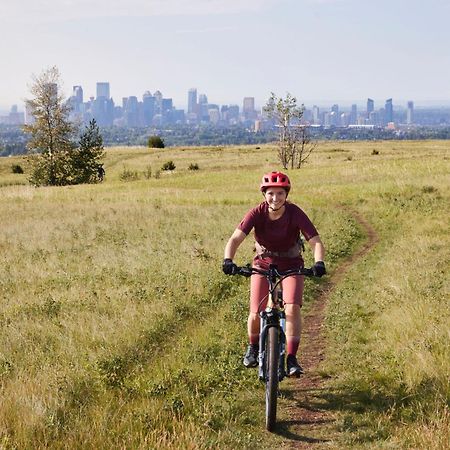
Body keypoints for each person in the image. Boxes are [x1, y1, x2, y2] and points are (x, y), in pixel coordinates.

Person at [222, 171, 326, 377]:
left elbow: (315, 241)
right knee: (256, 309)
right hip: (262, 265)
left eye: (280, 193)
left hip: (291, 265)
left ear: (286, 194)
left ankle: (292, 358)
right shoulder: (256, 213)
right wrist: (228, 260)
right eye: (270, 193)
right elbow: (235, 239)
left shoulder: (295, 213)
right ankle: (252, 347)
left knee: (292, 308)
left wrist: (319, 262)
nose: (275, 198)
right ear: (264, 194)